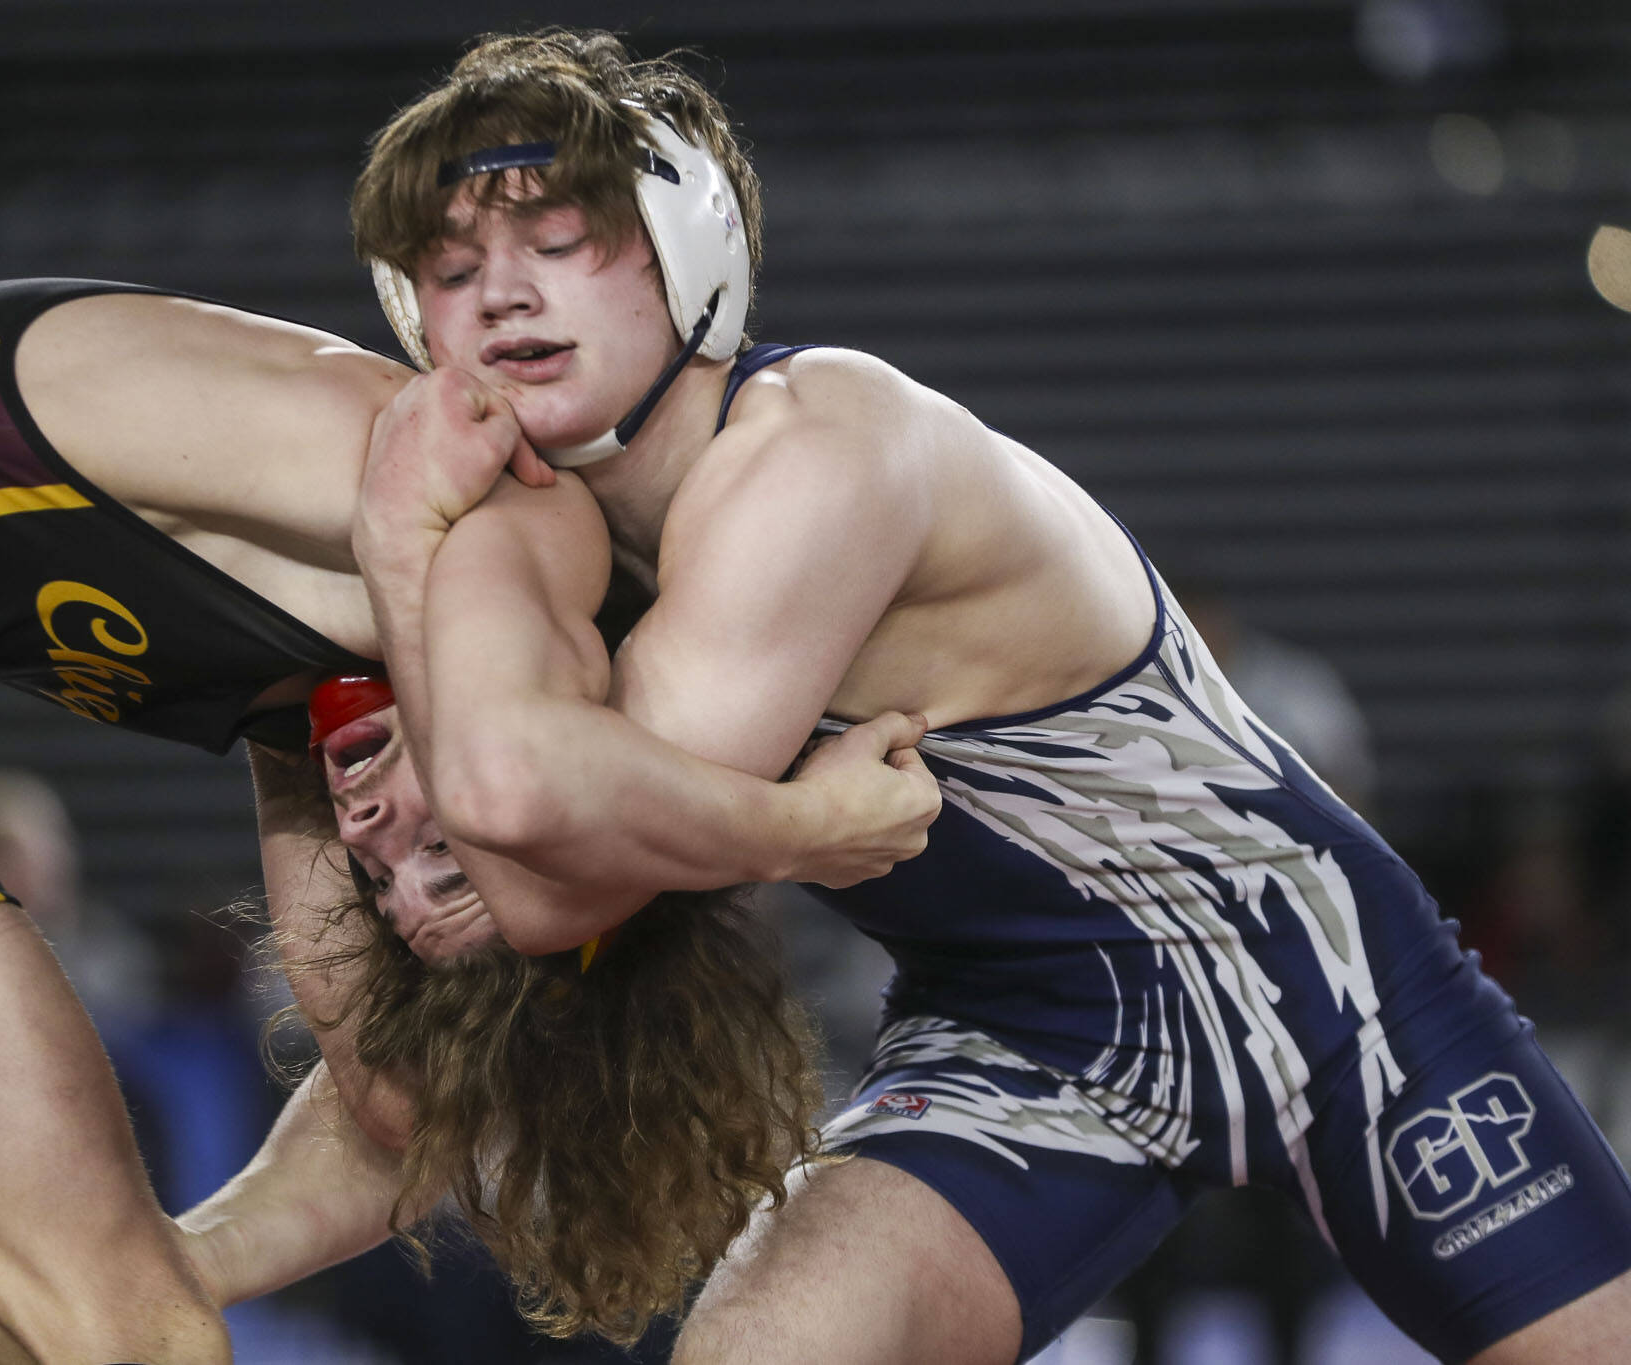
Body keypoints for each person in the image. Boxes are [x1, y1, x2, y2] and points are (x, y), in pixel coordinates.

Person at [339, 30, 1631, 1364]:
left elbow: (552, 882)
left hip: (1311, 983)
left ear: (689, 255)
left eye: (556, 243)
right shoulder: (542, 538)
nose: (500, 297)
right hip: (1021, 1033)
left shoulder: (817, 449)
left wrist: (399, 549)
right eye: (451, 269)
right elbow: (501, 842)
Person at [0, 278, 938, 1363]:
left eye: (397, 884)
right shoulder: (500, 517)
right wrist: (789, 828)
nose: (376, 845)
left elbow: (390, 1090)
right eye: (449, 867)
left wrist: (198, 1246)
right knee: (145, 1340)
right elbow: (529, 779)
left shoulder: (333, 709)